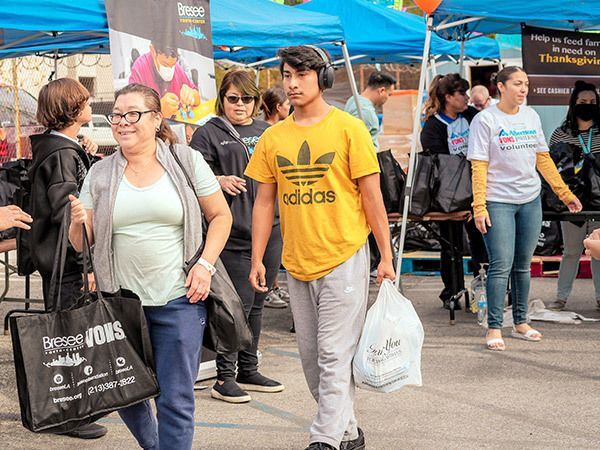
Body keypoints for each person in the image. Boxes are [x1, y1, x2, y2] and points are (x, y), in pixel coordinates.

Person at [246, 45, 395, 450]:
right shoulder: (273, 137)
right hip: (297, 262)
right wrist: (259, 257)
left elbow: (372, 197)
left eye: (301, 75)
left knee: (333, 355)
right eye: (286, 75)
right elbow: (263, 201)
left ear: (323, 79)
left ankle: (324, 440)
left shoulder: (350, 129)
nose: (291, 84)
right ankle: (348, 432)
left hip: (344, 256)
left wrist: (385, 255)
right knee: (313, 361)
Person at [68, 83, 232, 450]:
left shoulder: (185, 160)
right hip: (119, 304)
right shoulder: (100, 173)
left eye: (132, 114)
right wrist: (78, 219)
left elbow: (220, 216)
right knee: (125, 392)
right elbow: (81, 243)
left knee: (175, 399)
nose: (122, 123)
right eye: (116, 116)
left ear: (156, 119)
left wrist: (205, 265)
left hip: (179, 299)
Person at [467, 66, 582, 351]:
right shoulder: (485, 120)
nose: (523, 89)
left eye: (526, 85)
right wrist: (479, 205)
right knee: (500, 266)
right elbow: (478, 166)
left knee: (523, 266)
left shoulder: (531, 116)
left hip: (530, 200)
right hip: (498, 200)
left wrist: (564, 193)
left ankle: (521, 322)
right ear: (501, 87)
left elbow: (542, 158)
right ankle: (494, 327)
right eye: (517, 84)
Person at [190, 70, 285, 403]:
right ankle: (224, 376)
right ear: (222, 99)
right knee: (235, 307)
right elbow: (191, 174)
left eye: (246, 99)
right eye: (233, 98)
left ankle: (248, 367)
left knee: (258, 304)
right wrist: (217, 180)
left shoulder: (269, 132)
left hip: (270, 230)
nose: (240, 105)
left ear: (256, 101)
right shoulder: (208, 133)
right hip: (232, 234)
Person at [27, 78, 104, 439]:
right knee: (69, 338)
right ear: (73, 109)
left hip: (57, 261)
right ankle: (69, 414)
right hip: (66, 263)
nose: (91, 106)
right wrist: (86, 266)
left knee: (69, 335)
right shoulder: (62, 154)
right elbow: (69, 214)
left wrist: (85, 152)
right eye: (86, 101)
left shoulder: (59, 149)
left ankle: (73, 410)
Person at [421, 73, 488, 309]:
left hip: (478, 190)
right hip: (448, 195)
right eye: (462, 93)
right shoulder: (433, 126)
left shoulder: (472, 115)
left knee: (481, 240)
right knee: (451, 244)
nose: (467, 98)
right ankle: (452, 290)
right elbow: (438, 164)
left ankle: (483, 285)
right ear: (448, 97)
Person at [546, 81, 600, 311]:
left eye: (592, 102)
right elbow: (550, 166)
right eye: (582, 102)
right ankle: (561, 297)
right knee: (571, 250)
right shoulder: (561, 133)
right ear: (573, 104)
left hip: (598, 200)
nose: (587, 106)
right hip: (572, 201)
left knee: (599, 250)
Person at [261, 86, 291, 308]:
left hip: (284, 200)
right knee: (270, 246)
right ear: (278, 107)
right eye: (287, 104)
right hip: (271, 200)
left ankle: (275, 285)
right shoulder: (268, 133)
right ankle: (269, 287)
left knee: (276, 247)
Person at [129, 41, 200, 119]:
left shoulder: (177, 68)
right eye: (165, 64)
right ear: (153, 51)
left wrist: (192, 96)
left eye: (172, 65)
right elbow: (131, 113)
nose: (170, 70)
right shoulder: (139, 69)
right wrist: (158, 109)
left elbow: (197, 97)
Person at [344, 71, 396, 150]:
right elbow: (357, 146)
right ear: (382, 91)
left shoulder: (353, 100)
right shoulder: (366, 112)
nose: (388, 98)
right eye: (389, 94)